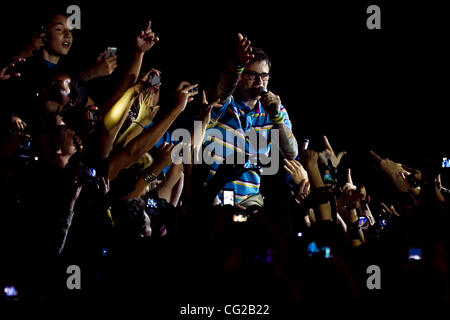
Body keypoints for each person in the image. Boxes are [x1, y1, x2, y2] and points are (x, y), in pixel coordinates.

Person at [203, 33, 298, 206]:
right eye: (252, 75)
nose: (259, 82)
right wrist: (238, 64)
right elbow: (223, 90)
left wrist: (276, 118)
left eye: (264, 76)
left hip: (248, 200)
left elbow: (291, 152)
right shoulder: (225, 102)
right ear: (240, 76)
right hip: (210, 194)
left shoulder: (276, 110)